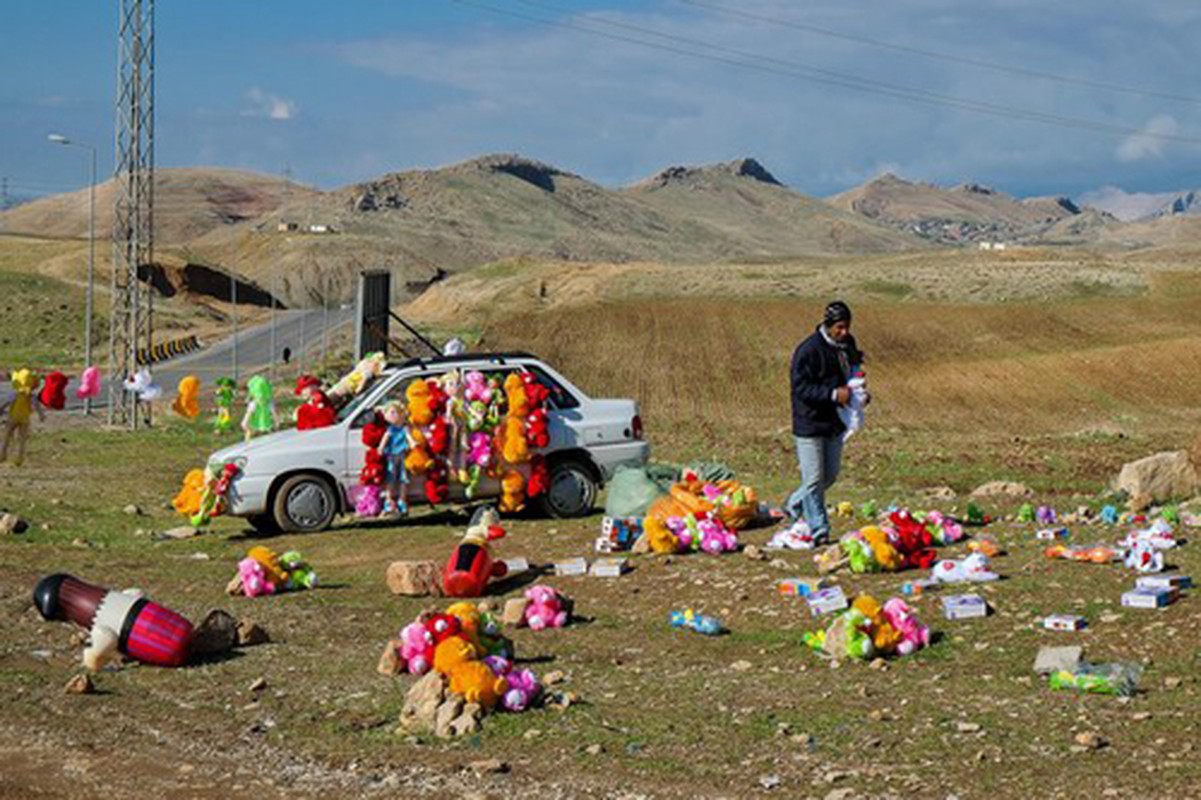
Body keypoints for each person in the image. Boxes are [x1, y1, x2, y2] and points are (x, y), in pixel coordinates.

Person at [785, 301, 866, 544]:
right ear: (828, 325)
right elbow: (800, 388)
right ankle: (819, 531)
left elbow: (854, 370)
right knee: (813, 479)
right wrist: (832, 394)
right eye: (840, 327)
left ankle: (792, 505)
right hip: (809, 423)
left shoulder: (846, 345)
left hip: (834, 421)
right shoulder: (808, 351)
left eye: (847, 327)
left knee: (829, 476)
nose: (845, 332)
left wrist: (859, 394)